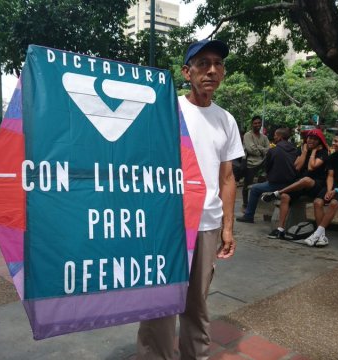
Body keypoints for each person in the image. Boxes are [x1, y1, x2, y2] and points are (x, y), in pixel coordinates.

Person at [136, 39, 244, 360]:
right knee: (160, 303)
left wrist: (228, 227)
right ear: (187, 72)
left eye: (218, 64)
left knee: (197, 303)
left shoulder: (226, 120)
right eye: (203, 63)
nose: (212, 70)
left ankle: (195, 355)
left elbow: (227, 178)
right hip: (167, 225)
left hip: (207, 225)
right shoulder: (167, 112)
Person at [261, 129, 330, 239]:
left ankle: (277, 193)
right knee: (285, 196)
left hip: (316, 184)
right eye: (309, 138)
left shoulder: (323, 152)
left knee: (306, 180)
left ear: (319, 141)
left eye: (314, 139)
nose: (311, 140)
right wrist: (305, 152)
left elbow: (311, 167)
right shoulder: (302, 149)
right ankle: (280, 229)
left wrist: (313, 152)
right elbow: (297, 167)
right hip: (300, 183)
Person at [236, 128, 298, 223]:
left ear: (280, 137)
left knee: (255, 188)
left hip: (277, 183)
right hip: (292, 183)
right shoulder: (295, 150)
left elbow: (267, 168)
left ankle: (249, 215)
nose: (274, 137)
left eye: (275, 135)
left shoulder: (274, 150)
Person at [241, 115, 270, 210]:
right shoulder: (247, 135)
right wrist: (262, 150)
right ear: (252, 124)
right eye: (255, 123)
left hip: (262, 164)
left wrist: (258, 147)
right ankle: (245, 204)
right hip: (250, 164)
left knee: (260, 185)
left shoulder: (264, 137)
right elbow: (251, 150)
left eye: (259, 123)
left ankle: (256, 204)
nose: (257, 125)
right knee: (247, 185)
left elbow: (268, 150)